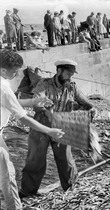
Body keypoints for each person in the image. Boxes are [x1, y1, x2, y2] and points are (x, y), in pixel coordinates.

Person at [1, 49, 64, 210]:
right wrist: (49, 130)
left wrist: (34, 101)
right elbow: (23, 118)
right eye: (14, 72)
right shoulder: (3, 86)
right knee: (7, 171)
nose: (16, 75)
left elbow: (10, 101)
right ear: (3, 70)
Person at [19, 59, 96, 198]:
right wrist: (47, 111)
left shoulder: (72, 87)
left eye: (72, 74)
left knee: (66, 159)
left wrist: (92, 108)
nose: (70, 77)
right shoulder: (44, 84)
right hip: (41, 126)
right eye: (68, 73)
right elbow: (38, 103)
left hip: (62, 125)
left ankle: (70, 188)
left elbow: (84, 101)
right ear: (59, 71)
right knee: (35, 159)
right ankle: (27, 192)